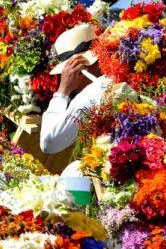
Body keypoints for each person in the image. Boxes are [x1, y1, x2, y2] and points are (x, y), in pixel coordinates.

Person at [40, 24, 137, 175]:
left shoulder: (93, 92)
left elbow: (49, 142)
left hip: (123, 169)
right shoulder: (125, 70)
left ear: (78, 70)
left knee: (72, 172)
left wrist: (63, 90)